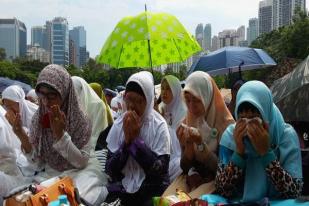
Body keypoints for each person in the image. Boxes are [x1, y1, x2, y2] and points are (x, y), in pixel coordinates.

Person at [6, 64, 107, 204]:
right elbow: (38, 163)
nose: (46, 102)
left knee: (75, 196)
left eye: (52, 96)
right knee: (19, 199)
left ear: (65, 93)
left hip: (80, 173)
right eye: (41, 95)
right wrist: (21, 134)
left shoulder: (80, 121)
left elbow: (81, 163)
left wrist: (61, 136)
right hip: (51, 173)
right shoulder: (38, 118)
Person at [216, 80, 303, 202]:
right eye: (242, 119)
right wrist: (239, 152)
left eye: (254, 119)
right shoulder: (231, 136)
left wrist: (266, 153)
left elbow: (294, 191)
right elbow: (222, 190)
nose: (249, 126)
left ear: (266, 115)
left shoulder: (285, 136)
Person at [162, 71, 234, 198]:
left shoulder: (225, 125)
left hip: (215, 180)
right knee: (166, 200)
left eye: (196, 100)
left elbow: (225, 171)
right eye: (188, 100)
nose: (191, 106)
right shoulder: (188, 120)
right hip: (192, 177)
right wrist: (188, 146)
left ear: (207, 96)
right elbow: (184, 166)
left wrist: (201, 144)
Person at [104, 71, 171, 206]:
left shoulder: (158, 125)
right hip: (122, 187)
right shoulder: (118, 125)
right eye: (129, 99)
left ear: (148, 101)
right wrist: (126, 144)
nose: (132, 106)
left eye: (139, 101)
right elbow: (110, 169)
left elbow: (159, 171)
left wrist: (136, 142)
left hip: (151, 188)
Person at [159, 75, 186, 182]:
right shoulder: (161, 108)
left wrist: (162, 124)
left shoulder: (183, 111)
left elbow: (179, 141)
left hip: (176, 155)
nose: (164, 92)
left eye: (168, 89)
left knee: (179, 166)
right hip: (162, 153)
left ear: (175, 90)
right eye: (162, 88)